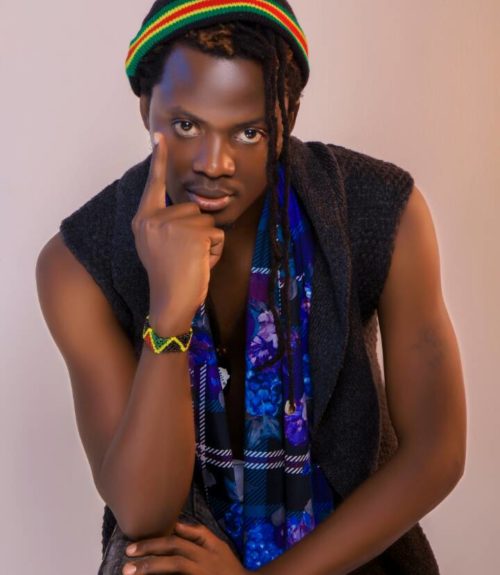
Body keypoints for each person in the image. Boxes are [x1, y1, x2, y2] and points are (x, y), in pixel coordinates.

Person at [36, 1, 466, 573]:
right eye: (186, 125)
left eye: (249, 131)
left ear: (288, 115)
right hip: (182, 554)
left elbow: (437, 453)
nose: (215, 163)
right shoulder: (76, 263)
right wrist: (169, 314)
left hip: (347, 550)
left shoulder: (382, 210)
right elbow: (142, 512)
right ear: (145, 108)